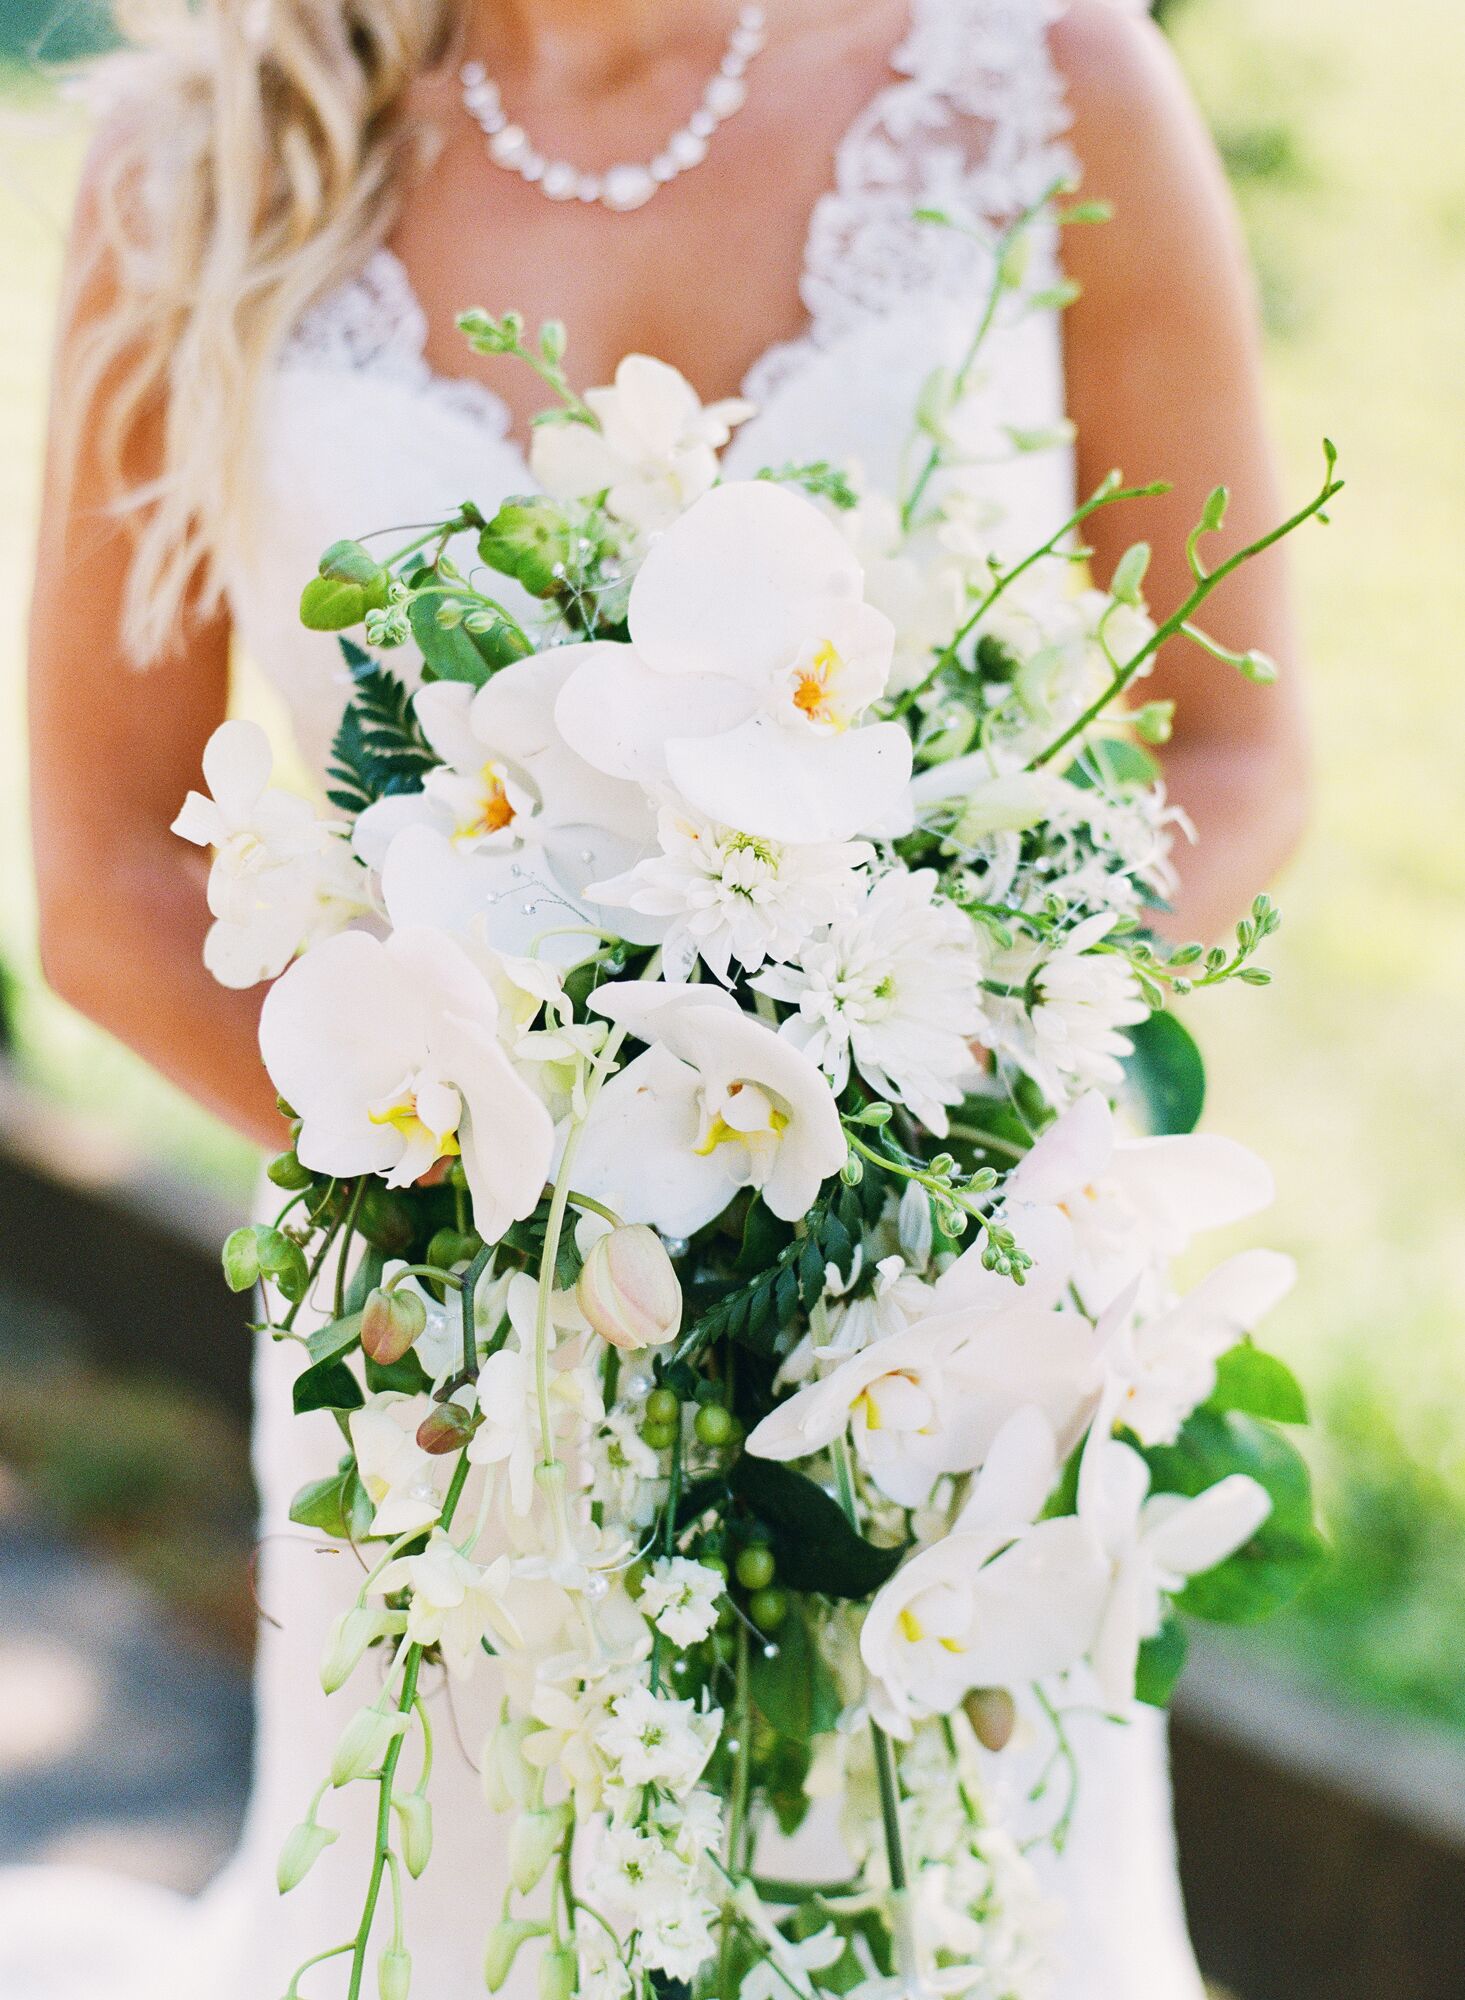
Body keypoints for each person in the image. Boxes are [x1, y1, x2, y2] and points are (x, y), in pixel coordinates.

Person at [18, 2, 1308, 1994]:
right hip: (460, 1370)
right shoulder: (197, 158)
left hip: (937, 1338)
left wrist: (932, 1104)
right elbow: (105, 881)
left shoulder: (1043, 81)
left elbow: (1230, 750)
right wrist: (506, 1205)